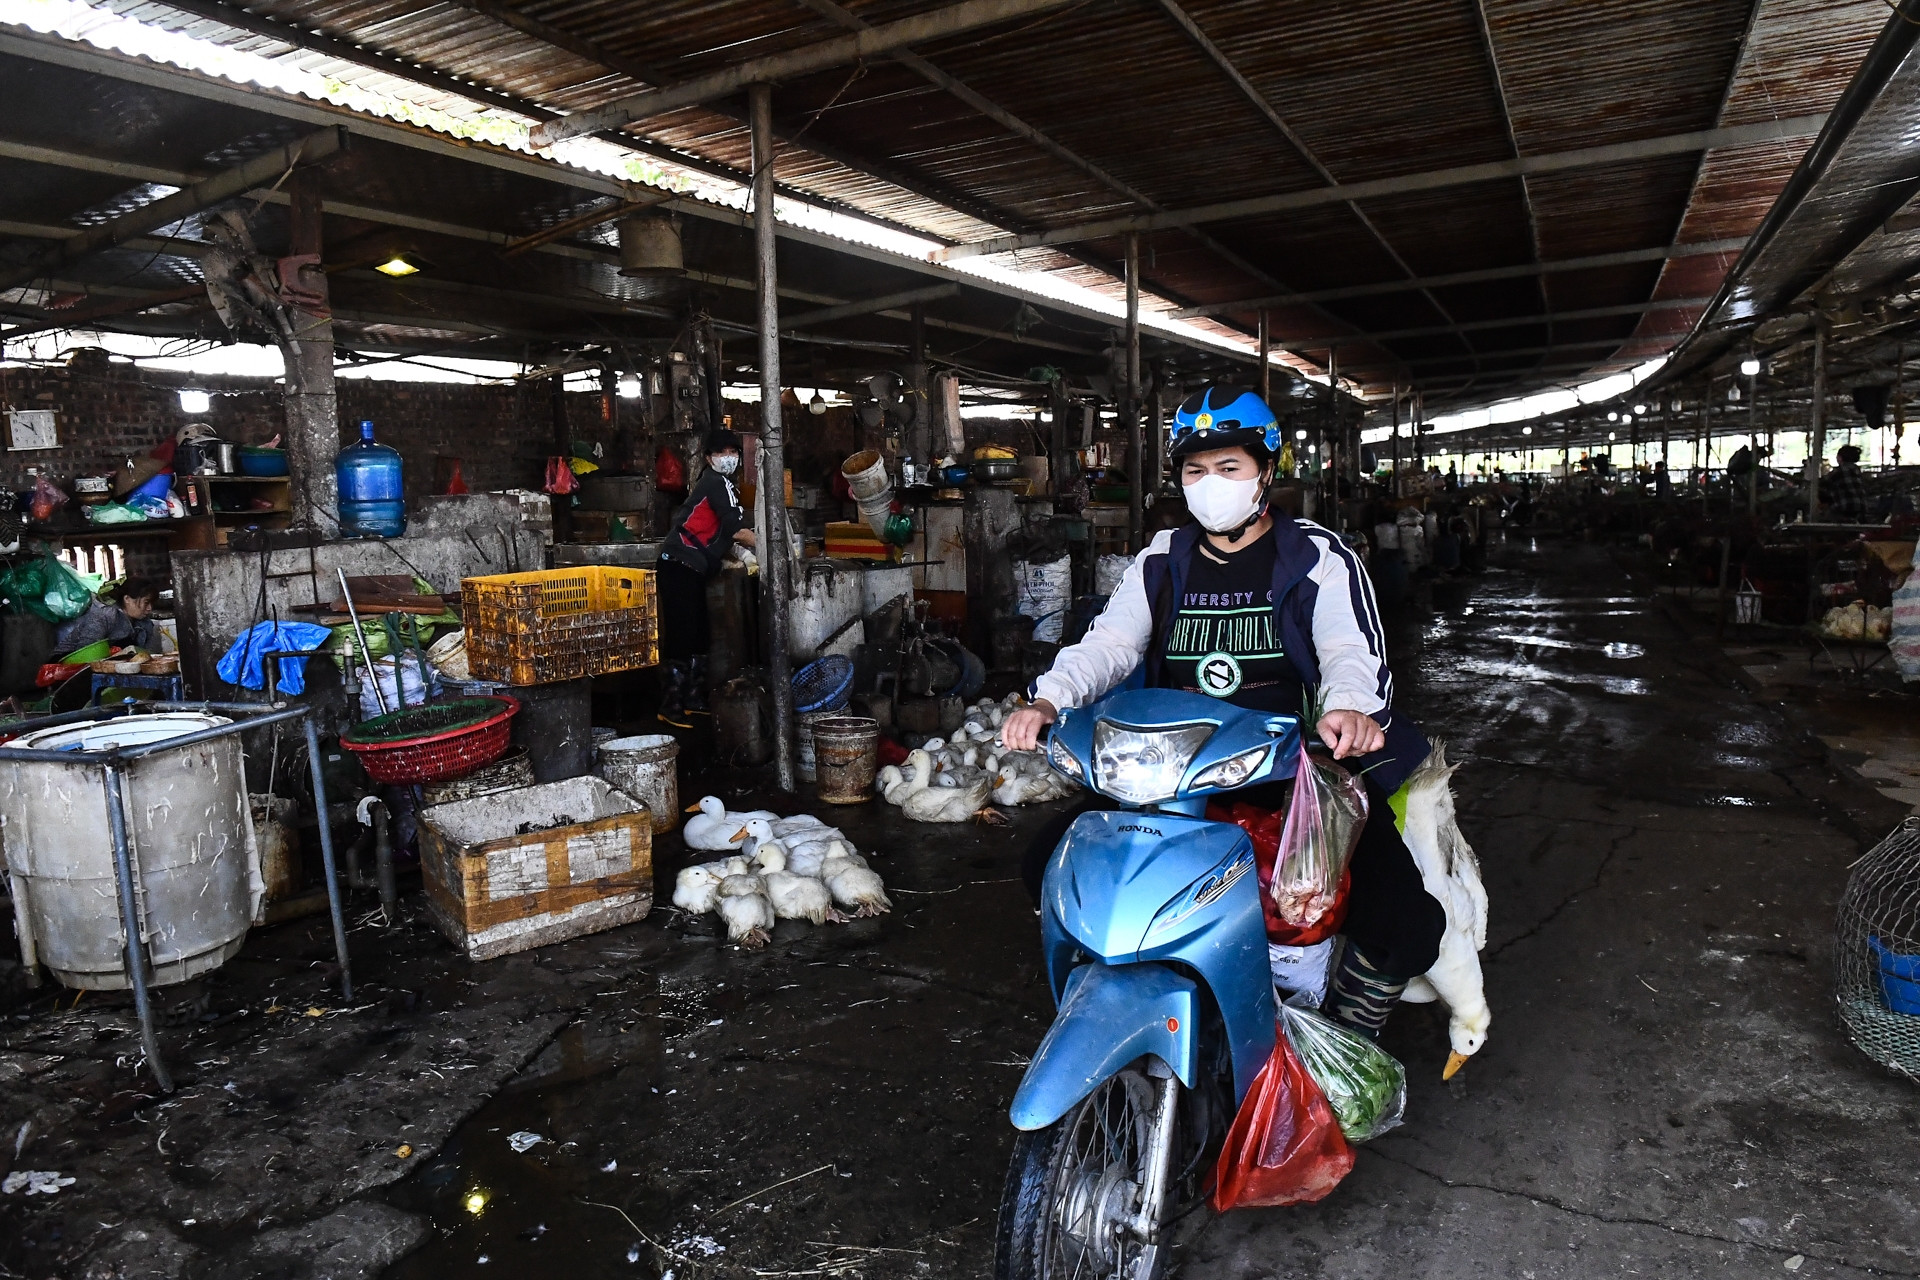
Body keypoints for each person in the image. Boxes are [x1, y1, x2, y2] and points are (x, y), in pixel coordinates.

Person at [1003, 386, 1446, 1040]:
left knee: (1402, 922)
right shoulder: (1163, 559)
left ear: (1265, 472)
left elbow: (1348, 649)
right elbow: (1110, 644)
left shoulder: (1315, 557)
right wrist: (1050, 697)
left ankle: (1343, 1035)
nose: (1210, 483)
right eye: (1196, 470)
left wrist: (1350, 709)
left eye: (1229, 466)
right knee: (1048, 864)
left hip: (1297, 770)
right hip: (1173, 775)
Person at [655, 428, 756, 726]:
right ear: (709, 458)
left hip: (693, 568)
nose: (728, 457)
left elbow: (725, 533)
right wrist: (770, 545)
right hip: (678, 564)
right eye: (721, 453)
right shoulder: (715, 482)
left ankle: (693, 699)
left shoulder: (724, 485)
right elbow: (737, 531)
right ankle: (671, 705)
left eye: (733, 452)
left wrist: (747, 554)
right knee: (682, 635)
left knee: (699, 635)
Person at [55, 576, 160, 655]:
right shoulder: (104, 615)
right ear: (127, 599)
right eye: (146, 602)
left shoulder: (145, 624)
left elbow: (144, 655)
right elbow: (86, 652)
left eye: (152, 603)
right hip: (68, 664)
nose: (149, 608)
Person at [1824, 444, 1869, 523]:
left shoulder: (1838, 472)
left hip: (1844, 507)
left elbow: (1824, 485)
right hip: (1861, 508)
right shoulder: (1857, 471)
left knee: (1824, 517)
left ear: (1840, 457)